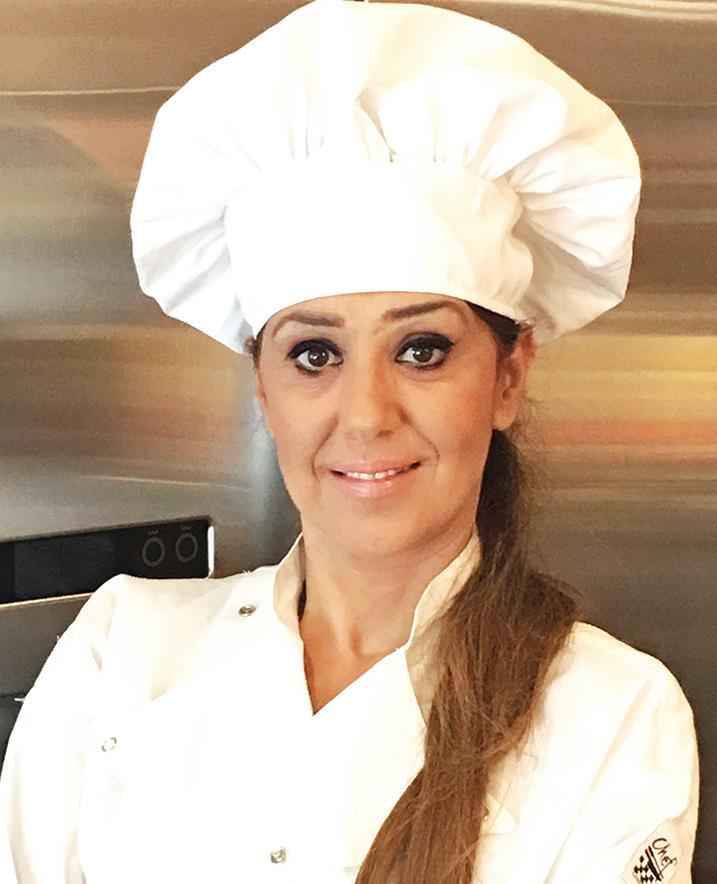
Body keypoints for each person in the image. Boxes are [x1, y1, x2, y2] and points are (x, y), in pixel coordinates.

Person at [0, 1, 700, 882]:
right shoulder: (121, 650)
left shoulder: (610, 716)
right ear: (264, 389)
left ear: (507, 376)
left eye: (421, 350)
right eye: (314, 354)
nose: (365, 415)